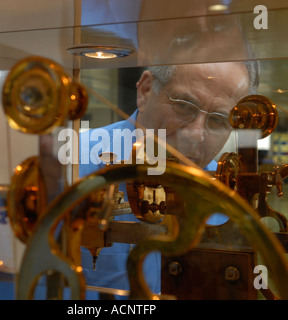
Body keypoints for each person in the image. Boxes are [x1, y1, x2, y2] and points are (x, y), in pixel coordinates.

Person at [78, 60, 259, 299]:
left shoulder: (225, 189)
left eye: (217, 120)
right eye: (184, 106)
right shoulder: (74, 165)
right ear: (145, 91)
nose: (196, 134)